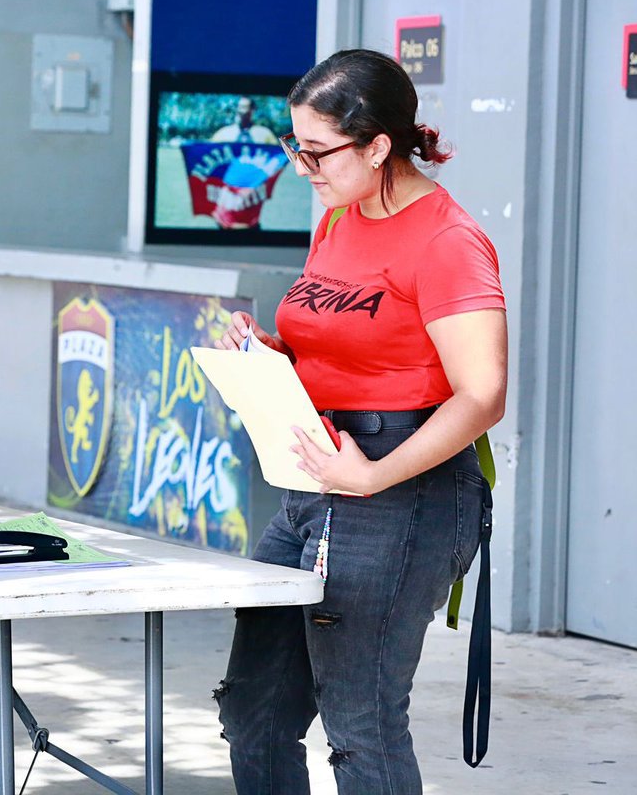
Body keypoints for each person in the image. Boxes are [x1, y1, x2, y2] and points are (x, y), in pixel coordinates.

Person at [212, 49, 506, 795]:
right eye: (294, 146)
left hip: (400, 484)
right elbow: (341, 342)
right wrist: (270, 355)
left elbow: (483, 393)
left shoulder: (447, 242)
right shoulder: (339, 217)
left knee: (361, 722)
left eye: (316, 151)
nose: (300, 166)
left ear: (378, 146)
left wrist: (370, 474)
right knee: (255, 708)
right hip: (316, 475)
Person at [210, 95, 278, 145]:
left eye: (244, 107)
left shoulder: (265, 134)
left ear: (252, 110)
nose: (241, 111)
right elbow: (209, 149)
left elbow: (277, 154)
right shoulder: (223, 134)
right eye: (239, 107)